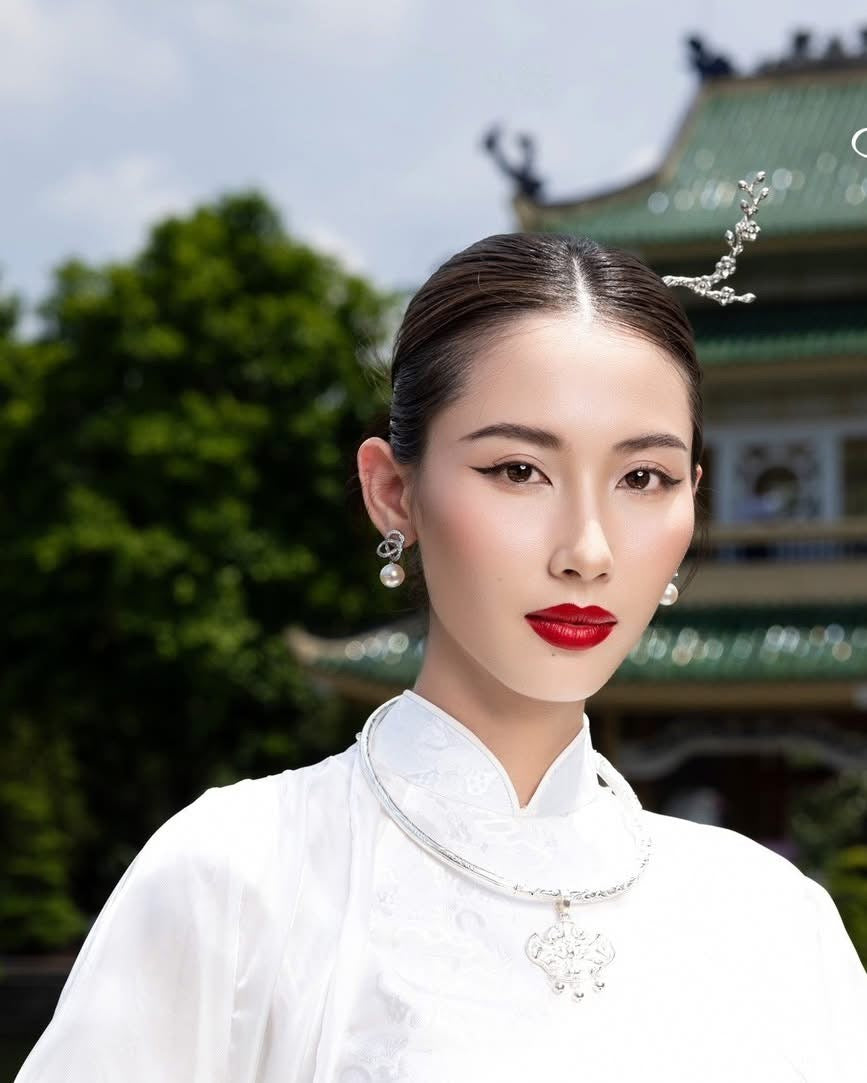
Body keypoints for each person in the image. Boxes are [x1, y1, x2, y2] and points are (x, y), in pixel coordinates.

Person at [15, 231, 867, 1083]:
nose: (586, 549)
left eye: (642, 477)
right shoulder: (241, 877)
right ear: (393, 490)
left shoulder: (772, 921)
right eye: (518, 469)